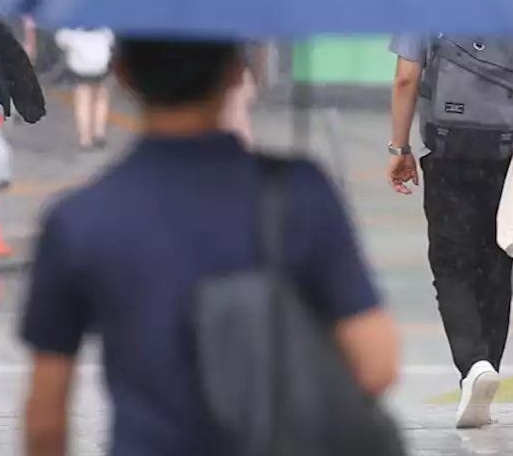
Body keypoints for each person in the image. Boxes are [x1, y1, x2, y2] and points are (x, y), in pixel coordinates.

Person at [20, 39, 397, 456]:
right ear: (238, 71)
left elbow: (45, 420)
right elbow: (376, 364)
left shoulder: (79, 219)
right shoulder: (298, 193)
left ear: (123, 74)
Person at [386, 32, 513, 429]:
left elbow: (406, 78)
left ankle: (473, 365)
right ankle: (487, 366)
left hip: (448, 151)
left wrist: (399, 148)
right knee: (497, 263)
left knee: (452, 266)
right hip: (505, 154)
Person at [53, 27, 114, 150]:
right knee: (101, 98)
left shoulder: (72, 28)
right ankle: (99, 133)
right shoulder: (104, 28)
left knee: (83, 101)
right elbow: (111, 41)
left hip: (81, 67)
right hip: (100, 66)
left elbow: (60, 41)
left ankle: (85, 139)